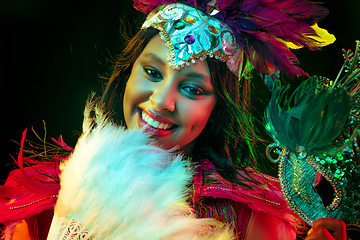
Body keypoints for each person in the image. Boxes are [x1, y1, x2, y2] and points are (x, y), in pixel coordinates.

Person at [0, 0, 351, 239]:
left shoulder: (251, 216)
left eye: (193, 90)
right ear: (128, 73)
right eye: (152, 72)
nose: (162, 101)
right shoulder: (44, 198)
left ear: (218, 107)